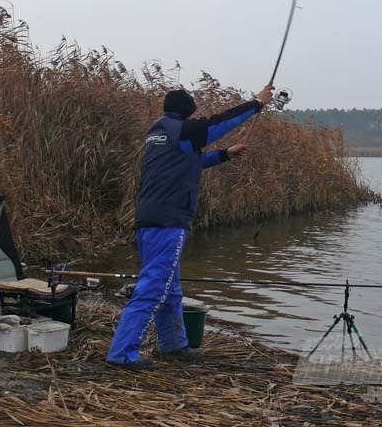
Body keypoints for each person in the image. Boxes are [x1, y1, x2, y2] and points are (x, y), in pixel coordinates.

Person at [106, 83, 274, 369]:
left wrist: (225, 154)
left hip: (151, 219)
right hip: (167, 221)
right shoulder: (181, 131)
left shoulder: (161, 132)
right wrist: (256, 104)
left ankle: (173, 346)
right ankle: (122, 353)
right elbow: (217, 124)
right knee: (154, 286)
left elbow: (190, 161)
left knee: (169, 288)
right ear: (189, 112)